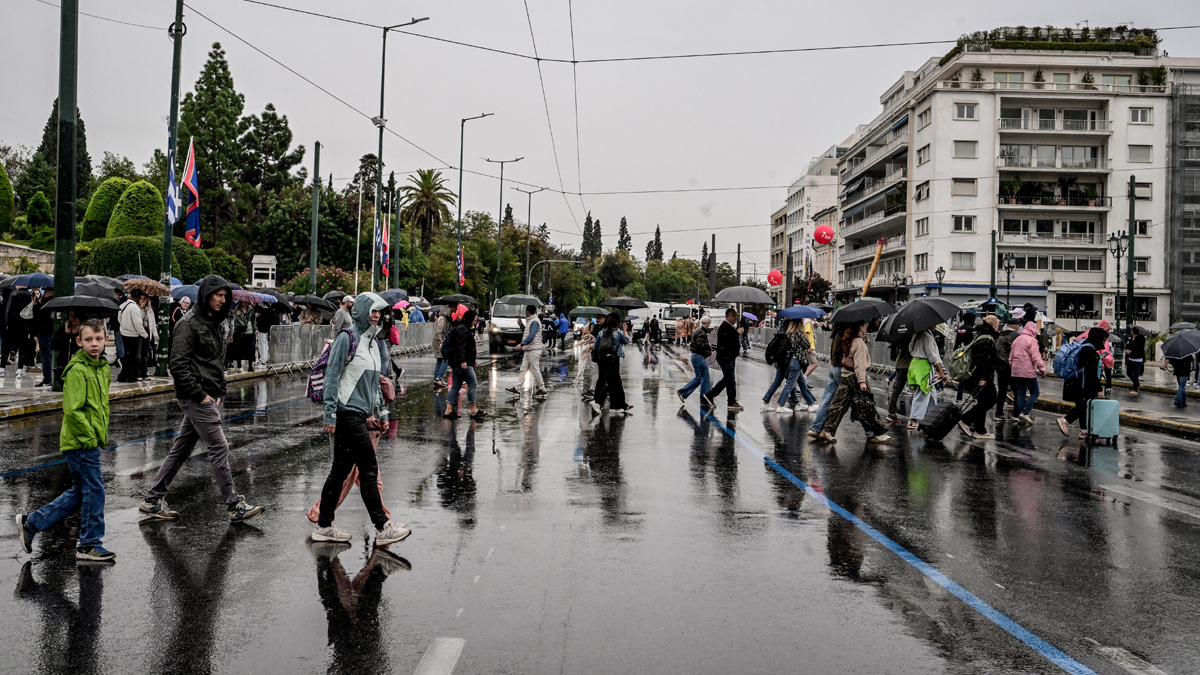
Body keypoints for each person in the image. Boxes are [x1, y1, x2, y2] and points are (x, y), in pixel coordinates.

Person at [139, 275, 263, 523]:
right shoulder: (189, 324)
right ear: (206, 295)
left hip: (207, 395)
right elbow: (178, 365)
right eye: (218, 295)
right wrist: (202, 396)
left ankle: (152, 500)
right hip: (195, 396)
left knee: (182, 448)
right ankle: (234, 505)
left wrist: (219, 392)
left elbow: (215, 361)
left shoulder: (213, 323)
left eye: (225, 296)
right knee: (220, 446)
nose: (222, 299)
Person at [310, 292, 410, 546]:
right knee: (368, 467)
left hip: (360, 415)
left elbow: (375, 384)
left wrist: (382, 414)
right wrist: (330, 414)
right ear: (362, 311)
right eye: (372, 311)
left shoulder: (374, 343)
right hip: (346, 413)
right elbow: (332, 377)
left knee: (340, 471)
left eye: (380, 312)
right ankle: (382, 527)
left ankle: (324, 526)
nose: (376, 316)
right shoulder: (348, 338)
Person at [16, 319, 115, 561]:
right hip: (81, 442)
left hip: (88, 440)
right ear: (79, 341)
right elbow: (73, 410)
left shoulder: (101, 368)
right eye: (88, 339)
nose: (94, 344)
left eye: (99, 339)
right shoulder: (79, 370)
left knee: (81, 492)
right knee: (95, 491)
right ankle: (89, 543)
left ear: (106, 340)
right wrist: (91, 437)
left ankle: (32, 523)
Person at [818, 321, 893, 443]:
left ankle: (827, 430)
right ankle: (879, 433)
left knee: (838, 405)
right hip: (856, 378)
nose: (866, 326)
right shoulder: (858, 342)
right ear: (860, 327)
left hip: (845, 376)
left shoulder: (849, 340)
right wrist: (862, 381)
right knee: (868, 406)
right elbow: (859, 364)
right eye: (864, 325)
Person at [1058, 326, 1109, 437]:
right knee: (1084, 406)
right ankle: (1065, 420)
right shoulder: (1090, 351)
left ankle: (1083, 430)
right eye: (1104, 339)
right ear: (1098, 338)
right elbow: (1092, 374)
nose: (1104, 342)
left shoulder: (1083, 346)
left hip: (1074, 382)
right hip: (1082, 384)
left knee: (1082, 406)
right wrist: (1099, 390)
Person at [958, 315, 999, 439]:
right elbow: (982, 360)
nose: (998, 327)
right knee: (990, 400)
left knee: (982, 401)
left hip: (975, 375)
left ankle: (980, 430)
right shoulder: (987, 339)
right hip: (981, 376)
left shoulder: (980, 335)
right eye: (997, 324)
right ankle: (965, 419)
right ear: (993, 325)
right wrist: (983, 378)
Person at [761, 320, 816, 413]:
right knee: (790, 383)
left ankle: (809, 404)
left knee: (800, 383)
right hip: (793, 361)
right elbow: (807, 344)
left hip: (784, 360)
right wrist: (804, 336)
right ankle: (781, 405)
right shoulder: (797, 334)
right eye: (801, 322)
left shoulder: (785, 334)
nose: (803, 323)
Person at [444, 309, 486, 419]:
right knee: (473, 383)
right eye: (474, 320)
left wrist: (473, 360)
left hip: (457, 362)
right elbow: (461, 346)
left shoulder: (462, 327)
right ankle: (474, 410)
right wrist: (463, 361)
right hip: (461, 363)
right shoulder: (463, 329)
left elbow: (466, 347)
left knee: (456, 386)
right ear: (470, 319)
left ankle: (448, 410)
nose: (475, 322)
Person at [808, 327, 847, 442]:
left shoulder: (836, 333)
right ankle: (871, 430)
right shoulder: (846, 334)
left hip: (833, 368)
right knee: (854, 400)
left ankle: (815, 428)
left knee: (826, 400)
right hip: (842, 369)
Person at [589, 312, 633, 414]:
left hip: (602, 360)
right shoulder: (617, 333)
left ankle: (612, 404)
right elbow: (627, 340)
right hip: (613, 360)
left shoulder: (601, 333)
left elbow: (595, 346)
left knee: (603, 380)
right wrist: (625, 330)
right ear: (617, 323)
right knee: (614, 382)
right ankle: (606, 403)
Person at [907, 326, 947, 430]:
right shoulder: (927, 337)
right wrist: (941, 371)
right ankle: (913, 420)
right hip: (924, 367)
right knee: (922, 393)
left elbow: (910, 349)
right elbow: (932, 356)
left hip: (916, 364)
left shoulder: (916, 335)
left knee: (931, 392)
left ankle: (932, 417)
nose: (936, 326)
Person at [704, 308, 745, 410]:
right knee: (730, 379)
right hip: (725, 357)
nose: (735, 318)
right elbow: (728, 340)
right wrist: (737, 333)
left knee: (728, 378)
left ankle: (711, 395)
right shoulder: (724, 326)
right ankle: (730, 401)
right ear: (727, 317)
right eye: (733, 316)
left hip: (729, 357)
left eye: (736, 316)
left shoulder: (730, 326)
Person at [1009, 318, 1045, 425]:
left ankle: (1019, 414)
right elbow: (1036, 357)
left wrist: (1014, 367)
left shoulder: (1017, 339)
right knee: (1035, 392)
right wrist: (1042, 369)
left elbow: (1010, 358)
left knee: (1021, 394)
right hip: (1028, 371)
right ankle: (1025, 412)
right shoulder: (1031, 340)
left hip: (1016, 371)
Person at [509, 305, 546, 399]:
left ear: (528, 311)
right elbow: (526, 333)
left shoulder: (534, 322)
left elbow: (531, 335)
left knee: (535, 370)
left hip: (533, 349)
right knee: (523, 369)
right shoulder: (531, 321)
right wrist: (521, 324)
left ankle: (542, 389)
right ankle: (517, 388)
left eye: (526, 310)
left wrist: (521, 344)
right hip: (529, 349)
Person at [677, 315, 713, 405]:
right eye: (709, 323)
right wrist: (707, 345)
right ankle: (705, 399)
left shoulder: (697, 330)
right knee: (705, 377)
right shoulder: (701, 332)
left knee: (699, 377)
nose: (709, 325)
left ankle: (683, 392)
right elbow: (699, 344)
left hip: (695, 356)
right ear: (707, 323)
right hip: (699, 356)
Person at [117, 291, 148, 382]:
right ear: (138, 297)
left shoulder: (123, 305)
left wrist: (123, 326)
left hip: (124, 333)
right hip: (133, 335)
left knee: (128, 355)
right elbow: (138, 324)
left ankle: (126, 375)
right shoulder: (134, 308)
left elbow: (119, 319)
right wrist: (144, 334)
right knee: (133, 357)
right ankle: (129, 375)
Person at [994, 316, 1020, 420]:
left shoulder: (1000, 333)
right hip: (1010, 366)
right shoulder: (1016, 335)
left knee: (1002, 390)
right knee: (1017, 390)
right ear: (1015, 326)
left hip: (1000, 365)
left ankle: (998, 413)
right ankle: (1016, 414)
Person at [51, 310, 82, 385]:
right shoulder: (63, 330)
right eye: (70, 316)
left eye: (75, 316)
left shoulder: (84, 331)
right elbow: (55, 346)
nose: (73, 319)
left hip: (78, 365)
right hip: (64, 364)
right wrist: (65, 334)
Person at [31, 289, 56, 386]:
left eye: (47, 291)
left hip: (45, 333)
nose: (44, 292)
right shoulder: (46, 302)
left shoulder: (48, 303)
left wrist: (36, 306)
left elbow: (40, 317)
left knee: (46, 357)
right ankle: (48, 378)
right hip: (45, 332)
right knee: (46, 356)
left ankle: (47, 379)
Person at [887, 337, 912, 423]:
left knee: (896, 390)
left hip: (899, 365)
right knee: (917, 389)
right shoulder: (908, 339)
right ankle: (914, 417)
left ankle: (891, 412)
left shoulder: (898, 338)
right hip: (906, 366)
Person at [431, 309, 451, 387]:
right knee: (446, 359)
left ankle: (436, 379)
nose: (450, 313)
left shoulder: (441, 319)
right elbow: (438, 332)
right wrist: (441, 342)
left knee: (439, 361)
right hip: (439, 343)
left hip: (437, 342)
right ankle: (439, 377)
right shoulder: (442, 320)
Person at [255, 302, 279, 367]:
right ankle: (264, 359)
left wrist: (258, 316)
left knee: (262, 345)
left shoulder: (263, 311)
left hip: (262, 329)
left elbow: (261, 321)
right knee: (265, 344)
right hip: (266, 330)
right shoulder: (270, 310)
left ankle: (263, 360)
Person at [1126, 326, 1146, 396]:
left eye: (1131, 331)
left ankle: (1135, 389)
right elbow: (1129, 346)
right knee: (1129, 373)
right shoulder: (1132, 339)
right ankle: (1137, 384)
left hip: (1137, 360)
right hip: (1131, 359)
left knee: (1135, 374)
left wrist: (1131, 352)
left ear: (1133, 332)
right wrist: (1128, 350)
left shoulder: (1140, 340)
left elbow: (1139, 351)